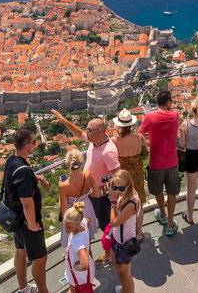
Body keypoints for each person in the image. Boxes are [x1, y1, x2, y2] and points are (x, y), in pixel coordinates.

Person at [52, 108, 120, 263]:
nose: (86, 132)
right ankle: (102, 251)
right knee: (91, 225)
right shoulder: (94, 141)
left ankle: (111, 253)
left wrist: (106, 190)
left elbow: (118, 174)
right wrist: (65, 121)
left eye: (89, 130)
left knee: (106, 225)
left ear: (99, 131)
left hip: (101, 196)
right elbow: (78, 133)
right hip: (90, 192)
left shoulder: (107, 151)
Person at [3, 129, 51, 293]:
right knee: (40, 258)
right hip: (27, 221)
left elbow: (22, 178)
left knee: (20, 252)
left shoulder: (12, 160)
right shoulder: (22, 169)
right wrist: (32, 224)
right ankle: (43, 291)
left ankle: (23, 289)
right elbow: (27, 202)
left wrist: (40, 178)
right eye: (34, 142)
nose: (36, 144)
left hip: (15, 218)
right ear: (26, 146)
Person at [139, 89, 181, 236]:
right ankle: (170, 224)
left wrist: (148, 147)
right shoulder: (175, 115)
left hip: (156, 162)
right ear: (168, 102)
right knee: (171, 193)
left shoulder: (149, 117)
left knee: (157, 191)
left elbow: (139, 134)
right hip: (172, 161)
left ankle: (162, 214)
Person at [113, 109, 149, 239]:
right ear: (131, 125)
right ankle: (139, 233)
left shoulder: (114, 141)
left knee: (122, 204)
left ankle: (125, 233)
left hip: (122, 177)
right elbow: (145, 152)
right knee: (138, 205)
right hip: (137, 174)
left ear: (119, 126)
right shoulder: (139, 138)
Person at [59, 148, 99, 251]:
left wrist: (60, 189)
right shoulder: (88, 175)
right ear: (81, 162)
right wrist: (86, 195)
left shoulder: (64, 185)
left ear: (67, 164)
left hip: (73, 215)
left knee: (75, 246)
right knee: (87, 245)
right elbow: (97, 194)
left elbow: (63, 211)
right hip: (87, 210)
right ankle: (89, 264)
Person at [109, 169, 141, 293]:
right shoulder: (125, 194)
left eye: (121, 188)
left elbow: (114, 222)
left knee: (125, 274)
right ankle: (124, 290)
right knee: (117, 267)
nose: (117, 191)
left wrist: (112, 202)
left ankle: (128, 291)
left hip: (125, 243)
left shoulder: (132, 203)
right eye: (114, 187)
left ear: (129, 185)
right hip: (118, 239)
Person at [63, 201, 95, 293]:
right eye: (64, 225)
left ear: (77, 224)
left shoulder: (77, 241)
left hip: (78, 276)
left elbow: (85, 264)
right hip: (84, 275)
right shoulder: (83, 223)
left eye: (68, 227)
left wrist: (76, 267)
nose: (65, 229)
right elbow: (88, 219)